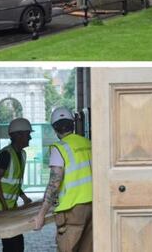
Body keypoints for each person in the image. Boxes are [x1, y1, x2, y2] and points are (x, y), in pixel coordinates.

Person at [32, 107, 93, 252]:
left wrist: (41, 215)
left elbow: (55, 182)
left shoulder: (59, 148)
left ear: (55, 128)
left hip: (72, 210)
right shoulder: (87, 143)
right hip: (93, 206)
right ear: (73, 124)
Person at [0, 117, 34, 252]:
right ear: (17, 135)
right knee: (13, 243)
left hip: (8, 206)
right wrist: (4, 206)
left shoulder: (21, 154)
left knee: (15, 242)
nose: (30, 138)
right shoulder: (5, 155)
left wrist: (23, 197)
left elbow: (13, 181)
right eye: (28, 134)